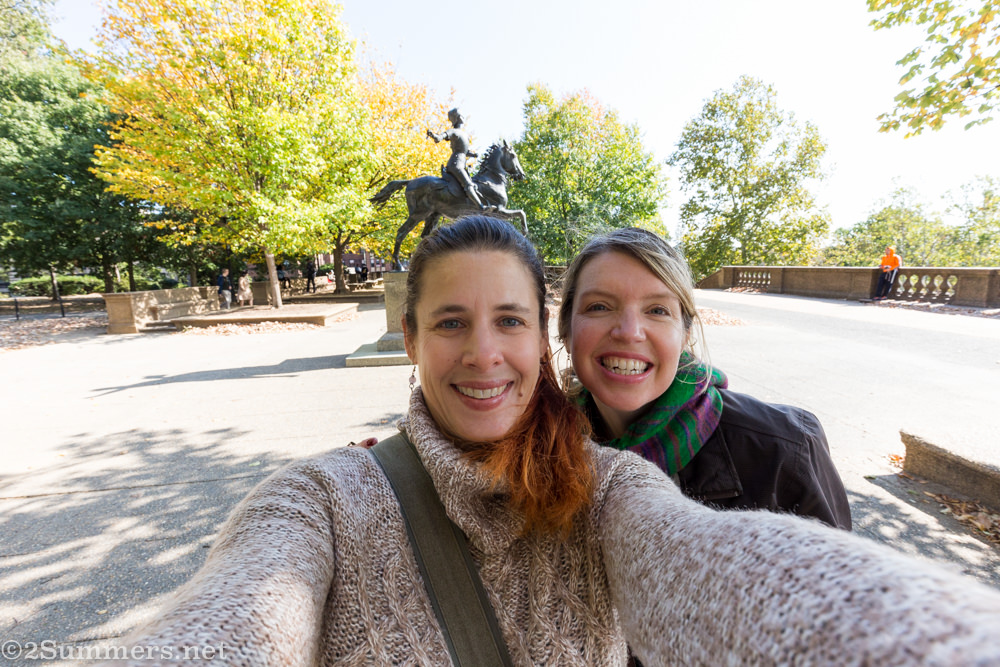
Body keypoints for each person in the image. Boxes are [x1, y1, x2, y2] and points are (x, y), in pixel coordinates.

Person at [102, 216, 1000, 666]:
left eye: (509, 321)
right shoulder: (326, 498)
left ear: (539, 340)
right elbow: (235, 614)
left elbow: (710, 559)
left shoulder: (606, 482)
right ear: (409, 340)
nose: (485, 353)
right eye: (450, 322)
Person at [558, 228, 851, 530]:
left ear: (685, 335)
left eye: (657, 310)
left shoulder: (788, 451)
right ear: (566, 330)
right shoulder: (539, 449)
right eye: (599, 307)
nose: (630, 331)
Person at [427, 108, 490, 210]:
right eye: (461, 115)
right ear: (457, 118)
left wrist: (472, 155)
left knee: (472, 184)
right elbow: (439, 138)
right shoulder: (453, 131)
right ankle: (481, 207)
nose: (463, 117)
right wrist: (433, 135)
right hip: (456, 164)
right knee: (468, 184)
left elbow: (463, 151)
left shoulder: (463, 134)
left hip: (461, 164)